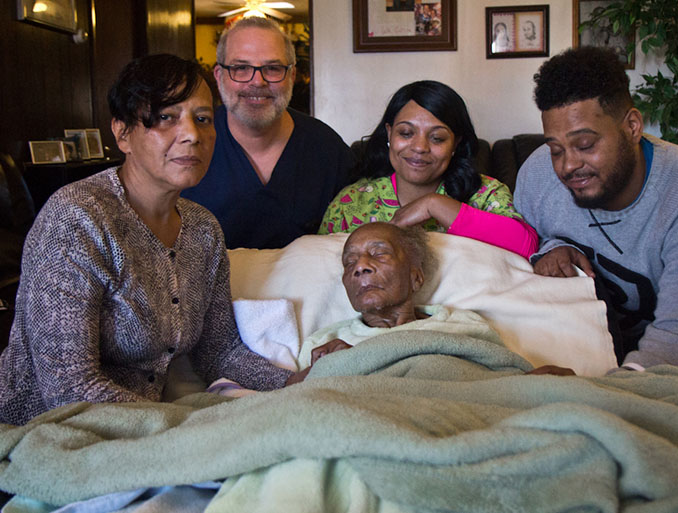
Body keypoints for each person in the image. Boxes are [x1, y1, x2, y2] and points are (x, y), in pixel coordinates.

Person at [0, 54, 299, 426]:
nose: (192, 134)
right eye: (165, 117)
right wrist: (179, 428)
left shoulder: (203, 229)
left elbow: (218, 351)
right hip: (46, 430)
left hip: (146, 430)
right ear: (123, 133)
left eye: (203, 119)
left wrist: (295, 382)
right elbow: (66, 386)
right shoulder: (77, 216)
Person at [512, 46, 678, 401]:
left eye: (585, 144)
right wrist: (550, 250)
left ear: (632, 126)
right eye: (556, 149)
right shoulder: (537, 174)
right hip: (605, 319)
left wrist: (613, 395)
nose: (567, 166)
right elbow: (523, 243)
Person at [182, 17, 354, 249]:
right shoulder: (187, 144)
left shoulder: (326, 149)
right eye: (241, 68)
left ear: (292, 76)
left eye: (272, 69)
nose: (257, 81)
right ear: (219, 76)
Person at [319, 80, 538, 259]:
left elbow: (527, 246)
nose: (420, 147)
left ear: (456, 143)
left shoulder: (485, 193)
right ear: (389, 134)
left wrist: (434, 205)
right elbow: (317, 264)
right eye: (406, 133)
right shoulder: (352, 202)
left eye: (437, 138)